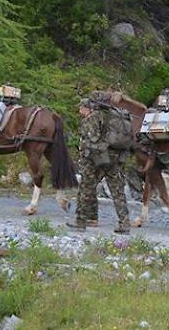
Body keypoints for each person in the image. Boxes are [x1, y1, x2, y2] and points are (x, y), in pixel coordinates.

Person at [67, 91, 131, 234]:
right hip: (115, 158)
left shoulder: (94, 117)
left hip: (96, 160)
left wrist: (87, 151)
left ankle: (80, 221)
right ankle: (124, 223)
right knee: (117, 191)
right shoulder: (118, 115)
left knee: (86, 188)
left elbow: (91, 139)